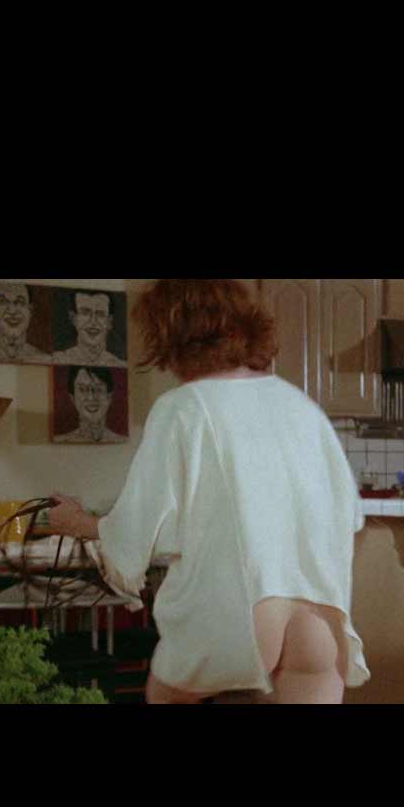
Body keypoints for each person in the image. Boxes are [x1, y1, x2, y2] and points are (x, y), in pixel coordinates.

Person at [47, 279, 370, 705]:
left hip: (239, 614)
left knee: (166, 696)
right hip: (319, 618)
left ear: (170, 336)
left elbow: (138, 526)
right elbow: (349, 515)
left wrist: (78, 523)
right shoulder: (300, 406)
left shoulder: (183, 407)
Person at [0, 281, 51, 363]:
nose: (12, 311)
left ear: (30, 310)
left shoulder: (45, 359)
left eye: (20, 302)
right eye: (2, 302)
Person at [53, 366, 127, 444]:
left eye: (98, 389)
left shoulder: (122, 442)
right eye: (82, 389)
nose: (91, 398)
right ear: (73, 398)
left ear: (109, 397)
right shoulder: (61, 441)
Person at [53, 290, 126, 366]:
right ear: (73, 318)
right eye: (85, 313)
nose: (93, 322)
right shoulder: (57, 360)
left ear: (109, 322)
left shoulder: (120, 365)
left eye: (100, 314)